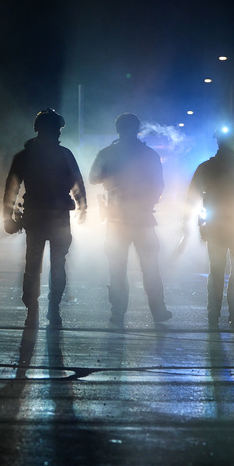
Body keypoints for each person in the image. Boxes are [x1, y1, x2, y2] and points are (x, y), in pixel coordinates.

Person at [2, 109, 87, 329]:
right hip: (56, 217)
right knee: (57, 265)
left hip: (36, 216)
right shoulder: (64, 154)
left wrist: (7, 216)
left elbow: (11, 188)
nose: (58, 133)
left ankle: (33, 307)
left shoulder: (25, 156)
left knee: (34, 264)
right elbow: (77, 184)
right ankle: (51, 309)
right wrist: (82, 207)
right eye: (56, 129)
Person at [89, 113, 172, 327]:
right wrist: (147, 203)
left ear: (118, 129)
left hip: (117, 218)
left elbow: (93, 178)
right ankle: (158, 310)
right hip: (143, 218)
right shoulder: (149, 154)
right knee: (151, 267)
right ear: (138, 129)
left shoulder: (107, 153)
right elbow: (159, 185)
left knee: (117, 269)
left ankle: (118, 312)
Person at [183, 125, 234, 328]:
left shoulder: (206, 167)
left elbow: (191, 197)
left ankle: (214, 314)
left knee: (216, 270)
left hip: (216, 225)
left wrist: (195, 223)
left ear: (218, 142)